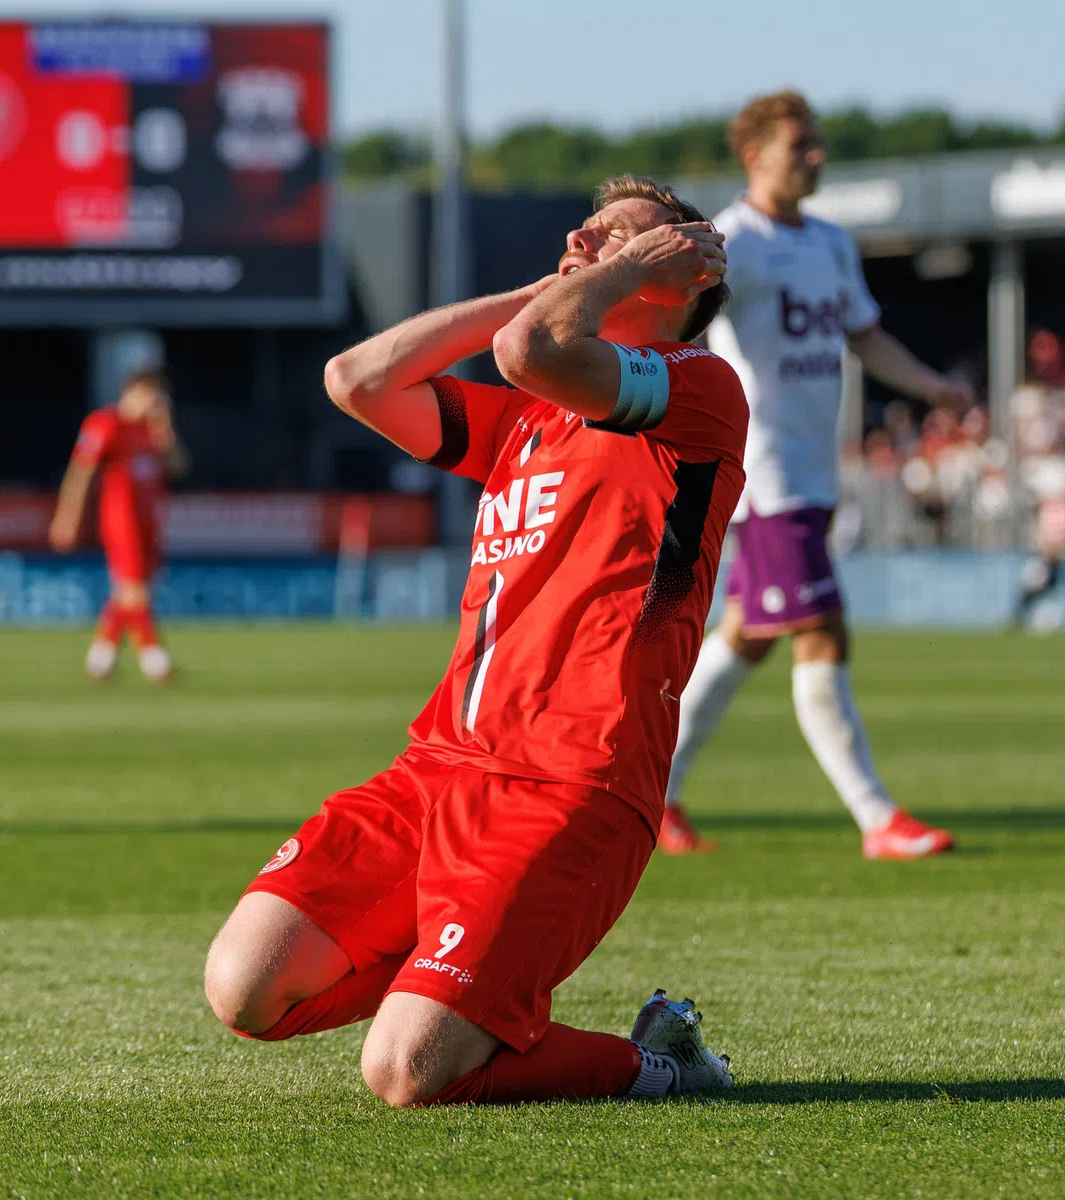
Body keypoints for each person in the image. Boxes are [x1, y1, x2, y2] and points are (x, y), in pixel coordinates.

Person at [204, 176, 749, 1106]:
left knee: (406, 1071)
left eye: (620, 234)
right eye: (588, 230)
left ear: (682, 273)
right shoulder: (527, 421)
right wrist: (577, 272)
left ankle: (663, 1066)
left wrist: (610, 276)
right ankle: (458, 985)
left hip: (574, 782)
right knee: (244, 989)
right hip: (438, 768)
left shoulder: (700, 392)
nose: (587, 234)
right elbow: (359, 380)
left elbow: (528, 350)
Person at [659, 90, 965, 859]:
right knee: (822, 632)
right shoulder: (735, 241)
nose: (817, 157)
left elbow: (863, 336)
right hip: (767, 474)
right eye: (802, 146)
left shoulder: (831, 242)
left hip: (815, 472)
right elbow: (673, 320)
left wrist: (931, 386)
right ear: (755, 155)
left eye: (820, 143)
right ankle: (877, 819)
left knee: (749, 637)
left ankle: (653, 795)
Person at [49, 369, 187, 684]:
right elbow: (81, 472)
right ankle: (156, 662)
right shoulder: (106, 423)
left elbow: (179, 467)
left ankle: (100, 659)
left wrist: (166, 432)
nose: (154, 403)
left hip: (149, 520)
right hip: (120, 519)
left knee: (129, 594)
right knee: (134, 592)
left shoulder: (151, 431)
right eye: (150, 395)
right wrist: (67, 516)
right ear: (131, 392)